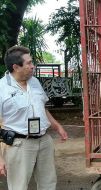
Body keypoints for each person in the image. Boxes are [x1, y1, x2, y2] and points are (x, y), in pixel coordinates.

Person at [0, 46, 68, 190]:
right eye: (29, 63)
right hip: (19, 145)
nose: (33, 66)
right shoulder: (2, 88)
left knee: (48, 184)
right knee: (19, 187)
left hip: (44, 141)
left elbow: (42, 108)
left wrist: (57, 126)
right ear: (16, 67)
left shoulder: (34, 82)